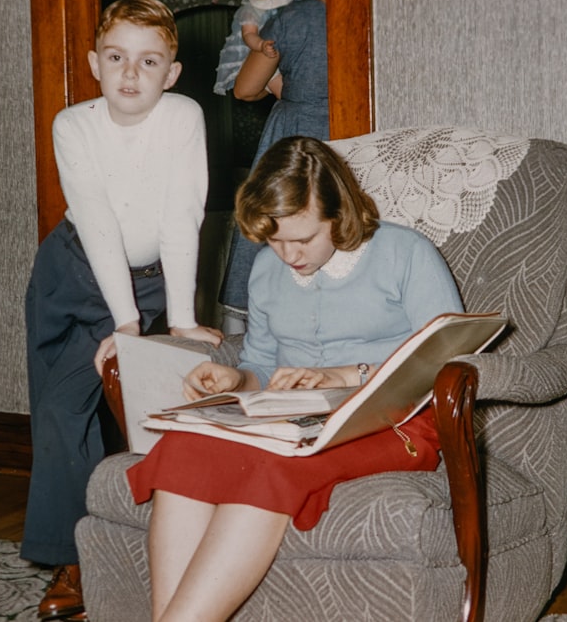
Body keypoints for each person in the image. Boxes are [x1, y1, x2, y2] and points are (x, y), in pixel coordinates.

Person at [125, 136, 464, 621]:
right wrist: (234, 378)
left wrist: (347, 373)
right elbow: (263, 366)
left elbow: (449, 357)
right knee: (181, 448)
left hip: (396, 420)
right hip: (296, 419)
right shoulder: (267, 269)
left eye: (302, 239)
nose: (288, 255)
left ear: (338, 214)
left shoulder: (405, 253)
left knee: (271, 464)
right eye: (274, 239)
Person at [22, 0, 223, 621]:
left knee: (152, 399)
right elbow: (102, 225)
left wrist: (181, 318)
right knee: (62, 408)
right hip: (76, 269)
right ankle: (72, 559)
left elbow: (181, 219)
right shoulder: (73, 125)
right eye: (116, 58)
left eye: (148, 61)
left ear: (172, 73)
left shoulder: (183, 118)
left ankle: (157, 539)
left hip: (156, 278)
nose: (130, 74)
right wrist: (125, 324)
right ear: (93, 63)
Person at [218, 0, 329, 328]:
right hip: (363, 135)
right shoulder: (381, 14)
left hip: (298, 136)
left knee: (280, 226)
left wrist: (288, 88)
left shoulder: (293, 17)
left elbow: (245, 89)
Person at [213, 0, 299, 98]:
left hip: (290, 55)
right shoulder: (251, 10)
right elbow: (249, 34)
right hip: (262, 60)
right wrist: (260, 45)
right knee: (287, 94)